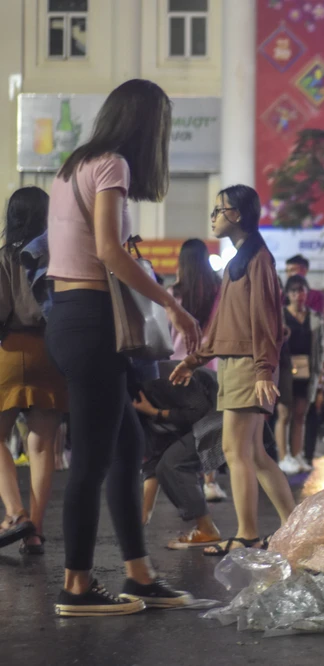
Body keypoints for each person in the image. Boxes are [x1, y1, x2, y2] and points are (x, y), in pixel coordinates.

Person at [45, 79, 200, 616]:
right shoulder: (112, 165)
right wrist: (171, 304)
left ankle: (139, 574)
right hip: (92, 321)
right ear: (146, 124)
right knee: (91, 460)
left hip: (69, 317)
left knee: (127, 446)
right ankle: (76, 586)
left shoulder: (74, 166)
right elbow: (111, 251)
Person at [170, 185, 297, 556]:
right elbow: (224, 325)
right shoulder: (240, 260)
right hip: (237, 363)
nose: (213, 216)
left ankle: (247, 534)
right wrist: (194, 360)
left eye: (219, 210)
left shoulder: (257, 258)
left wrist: (263, 370)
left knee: (235, 449)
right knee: (254, 453)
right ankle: (294, 529)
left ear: (237, 215)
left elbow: (267, 319)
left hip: (247, 365)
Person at [0, 187, 65, 556]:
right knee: (41, 446)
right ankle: (35, 533)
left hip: (10, 351)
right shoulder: (57, 256)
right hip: (51, 352)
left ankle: (15, 513)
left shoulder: (4, 257)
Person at [136, 362, 222, 549]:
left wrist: (156, 413)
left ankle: (207, 530)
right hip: (216, 412)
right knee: (169, 463)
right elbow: (154, 460)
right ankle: (206, 528)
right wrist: (145, 514)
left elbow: (199, 409)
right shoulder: (139, 406)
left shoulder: (155, 385)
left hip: (223, 407)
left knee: (174, 462)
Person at [171, 238, 227, 502]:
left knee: (181, 428)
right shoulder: (219, 291)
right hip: (209, 366)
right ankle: (210, 482)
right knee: (209, 427)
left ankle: (182, 482)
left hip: (176, 366)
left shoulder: (173, 295)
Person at [275, 275, 324, 475]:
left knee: (300, 415)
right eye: (294, 291)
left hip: (307, 370)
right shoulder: (280, 315)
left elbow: (320, 347)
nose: (298, 295)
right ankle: (283, 457)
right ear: (288, 294)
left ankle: (297, 455)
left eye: (302, 290)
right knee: (284, 414)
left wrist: (320, 374)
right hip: (285, 369)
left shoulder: (315, 318)